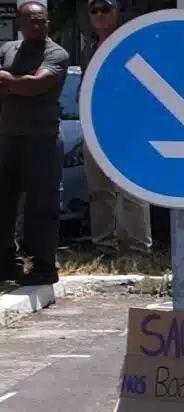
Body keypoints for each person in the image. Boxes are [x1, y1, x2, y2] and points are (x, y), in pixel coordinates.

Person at [0, 1, 70, 286]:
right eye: (32, 21)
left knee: (41, 207)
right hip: (8, 137)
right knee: (3, 205)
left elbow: (36, 85)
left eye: (42, 21)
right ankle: (7, 264)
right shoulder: (7, 50)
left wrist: (6, 79)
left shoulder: (57, 53)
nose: (38, 25)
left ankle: (44, 266)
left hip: (43, 139)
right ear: (20, 22)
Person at [83, 0, 153, 257]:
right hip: (95, 127)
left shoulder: (129, 43)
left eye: (105, 9)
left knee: (132, 189)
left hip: (129, 129)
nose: (100, 15)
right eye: (94, 10)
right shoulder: (89, 48)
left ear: (117, 12)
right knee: (99, 190)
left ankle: (137, 249)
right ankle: (104, 247)